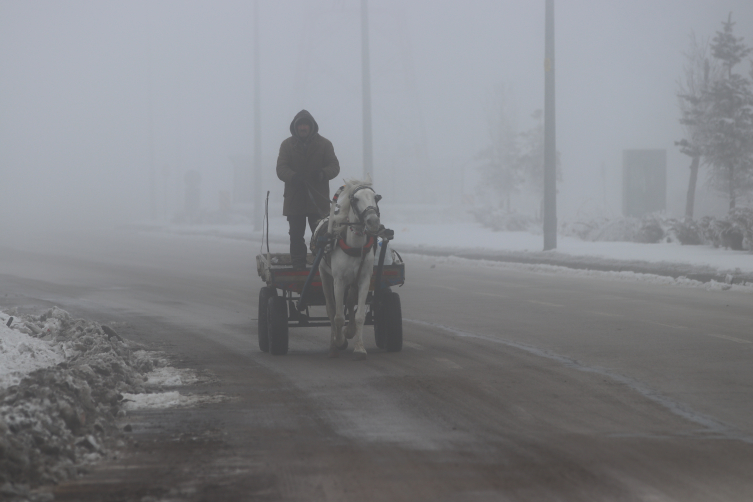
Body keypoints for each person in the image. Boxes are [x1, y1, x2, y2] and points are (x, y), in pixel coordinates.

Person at [276, 110, 340, 269]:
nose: (303, 127)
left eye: (305, 124)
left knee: (321, 237)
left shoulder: (325, 144)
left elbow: (334, 166)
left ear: (311, 127)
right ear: (295, 127)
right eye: (300, 125)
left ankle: (323, 266)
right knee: (296, 237)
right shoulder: (286, 145)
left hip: (318, 200)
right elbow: (281, 168)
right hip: (294, 199)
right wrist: (293, 177)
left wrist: (322, 173)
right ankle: (298, 267)